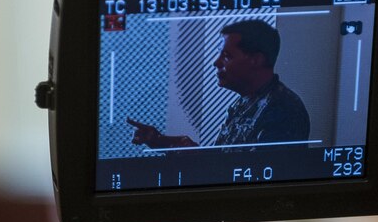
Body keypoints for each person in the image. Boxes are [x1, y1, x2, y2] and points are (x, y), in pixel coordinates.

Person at [129, 19, 310, 149]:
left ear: (256, 60)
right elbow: (224, 163)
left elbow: (253, 179)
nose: (216, 63)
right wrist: (159, 140)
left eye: (226, 56)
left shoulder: (283, 110)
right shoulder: (245, 102)